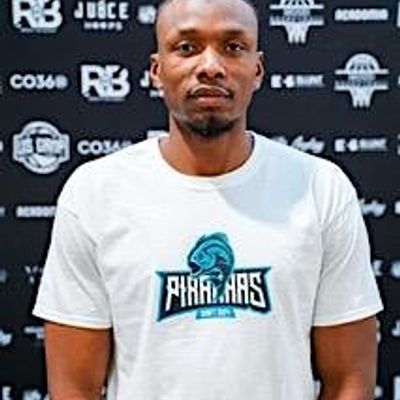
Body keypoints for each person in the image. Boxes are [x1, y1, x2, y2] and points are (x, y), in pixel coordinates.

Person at [33, 0, 383, 399]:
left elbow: (350, 381)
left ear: (257, 70)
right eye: (187, 48)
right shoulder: (95, 193)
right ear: (156, 70)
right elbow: (74, 388)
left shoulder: (320, 188)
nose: (211, 66)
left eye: (233, 47)